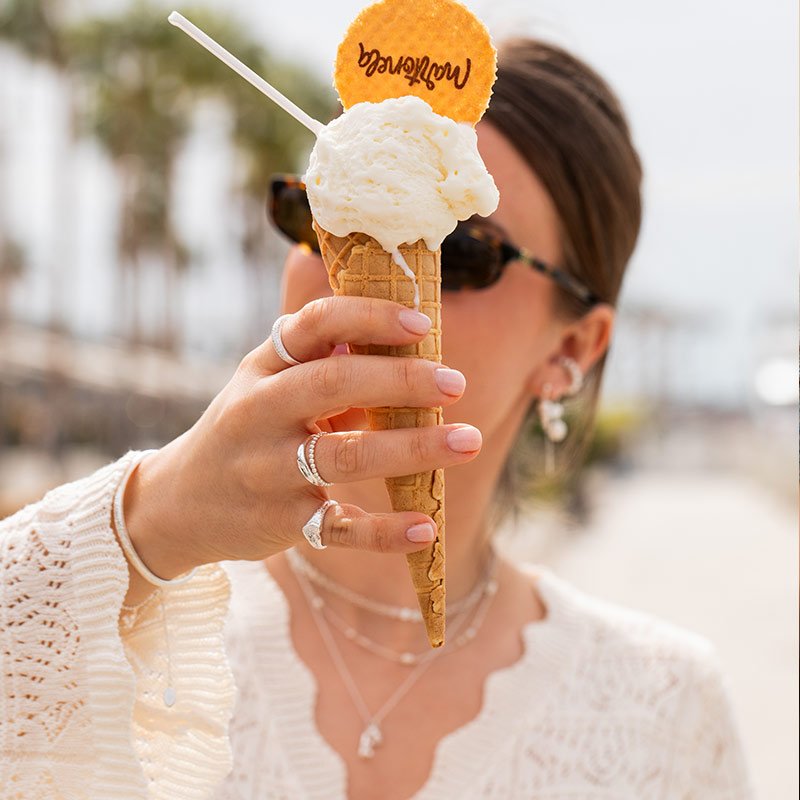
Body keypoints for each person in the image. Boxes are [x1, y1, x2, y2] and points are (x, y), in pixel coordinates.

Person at [0, 38, 754, 799]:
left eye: (454, 245)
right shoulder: (112, 628)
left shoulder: (665, 712)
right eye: (330, 209)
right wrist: (151, 519)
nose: (356, 279)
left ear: (572, 348)